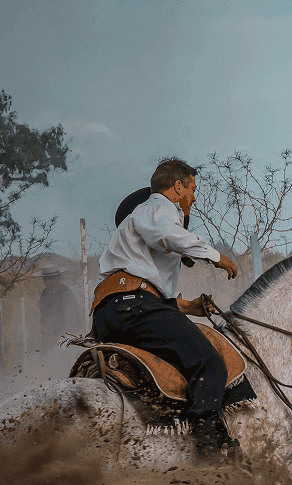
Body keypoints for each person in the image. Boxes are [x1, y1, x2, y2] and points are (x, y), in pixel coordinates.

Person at [92, 157, 240, 458]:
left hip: (115, 310)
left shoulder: (142, 222)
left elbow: (147, 285)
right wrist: (215, 255)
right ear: (177, 187)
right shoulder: (158, 207)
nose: (194, 197)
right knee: (208, 361)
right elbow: (169, 236)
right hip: (133, 307)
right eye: (193, 188)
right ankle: (208, 444)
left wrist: (189, 306)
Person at [35, 266, 81, 349]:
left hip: (63, 339)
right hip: (47, 338)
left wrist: (58, 339)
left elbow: (70, 321)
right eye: (45, 279)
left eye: (50, 278)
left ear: (57, 278)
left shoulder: (66, 294)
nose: (47, 281)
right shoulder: (44, 293)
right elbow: (43, 315)